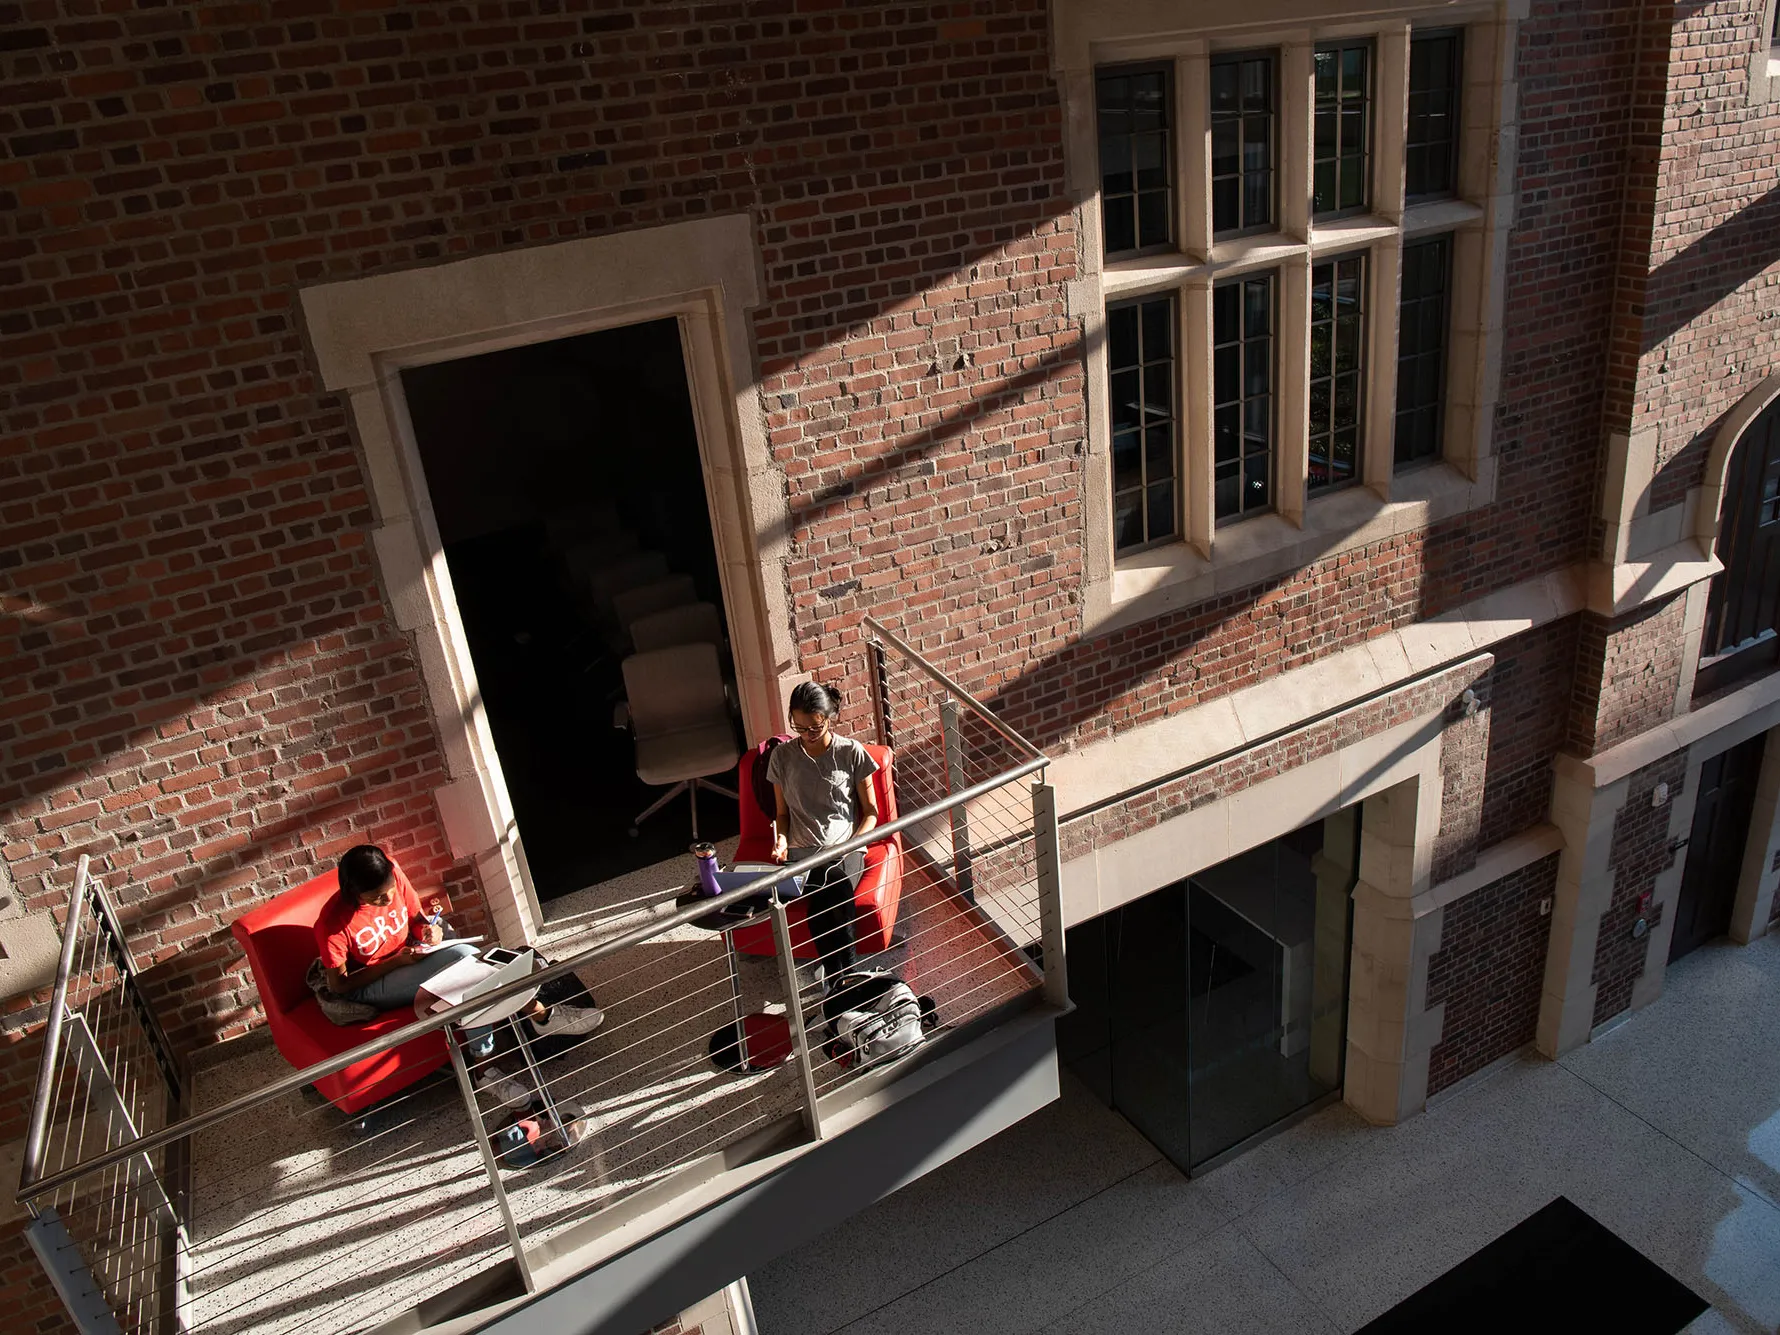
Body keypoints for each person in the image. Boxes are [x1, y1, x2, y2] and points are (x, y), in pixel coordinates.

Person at [316, 845, 602, 1101]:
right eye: (377, 898)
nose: (389, 899)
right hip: (371, 981)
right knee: (468, 962)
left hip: (411, 956)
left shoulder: (394, 873)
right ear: (354, 894)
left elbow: (417, 920)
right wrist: (393, 964)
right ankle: (541, 1015)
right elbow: (340, 985)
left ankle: (485, 1070)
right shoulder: (332, 922)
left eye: (390, 890)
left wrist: (429, 931)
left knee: (466, 972)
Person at [765, 683, 881, 1019]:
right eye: (799, 728)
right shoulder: (782, 757)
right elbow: (782, 814)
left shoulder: (851, 752)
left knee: (831, 889)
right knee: (827, 890)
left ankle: (835, 980)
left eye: (815, 727)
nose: (808, 735)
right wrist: (782, 840)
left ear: (830, 717)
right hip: (802, 852)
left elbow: (871, 812)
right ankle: (845, 980)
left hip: (847, 849)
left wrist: (853, 843)